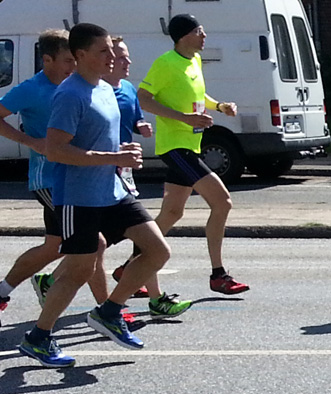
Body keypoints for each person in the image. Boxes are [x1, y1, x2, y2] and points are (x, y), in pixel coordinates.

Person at [17, 23, 172, 368]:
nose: (112, 56)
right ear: (81, 55)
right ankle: (38, 337)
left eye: (112, 50)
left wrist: (122, 151)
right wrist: (113, 157)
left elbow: (100, 139)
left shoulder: (104, 89)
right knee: (78, 271)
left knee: (157, 250)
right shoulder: (69, 95)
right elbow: (56, 150)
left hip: (112, 191)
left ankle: (109, 312)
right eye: (104, 51)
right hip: (78, 196)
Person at [123, 13, 248, 298]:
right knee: (222, 202)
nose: (204, 36)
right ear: (183, 36)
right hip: (174, 147)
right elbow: (143, 98)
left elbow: (197, 96)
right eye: (199, 31)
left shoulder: (195, 60)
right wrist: (184, 118)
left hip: (191, 146)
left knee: (172, 213)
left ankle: (130, 267)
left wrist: (220, 106)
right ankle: (218, 275)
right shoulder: (165, 62)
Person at [0, 29, 110, 324]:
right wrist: (31, 142)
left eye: (75, 60)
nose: (72, 66)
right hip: (49, 180)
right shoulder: (32, 89)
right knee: (94, 243)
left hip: (77, 178)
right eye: (66, 61)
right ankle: (108, 312)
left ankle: (3, 291)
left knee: (54, 247)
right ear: (47, 60)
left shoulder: (78, 86)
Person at [108, 36, 192, 317]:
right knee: (87, 249)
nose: (128, 62)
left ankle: (153, 300)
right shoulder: (92, 92)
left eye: (127, 56)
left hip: (124, 175)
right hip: (97, 178)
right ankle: (58, 285)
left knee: (149, 243)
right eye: (121, 57)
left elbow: (135, 118)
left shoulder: (127, 89)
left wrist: (141, 125)